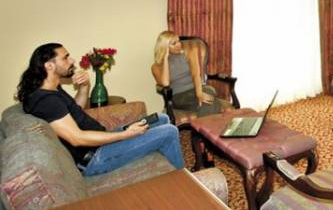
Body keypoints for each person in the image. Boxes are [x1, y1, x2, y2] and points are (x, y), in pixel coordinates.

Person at [17, 43, 184, 176]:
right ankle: (182, 181)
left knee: (162, 119)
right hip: (95, 158)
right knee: (169, 132)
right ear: (49, 66)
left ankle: (166, 171)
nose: (72, 60)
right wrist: (126, 134)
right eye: (65, 58)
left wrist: (85, 86)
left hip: (101, 143)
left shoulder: (51, 89)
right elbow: (77, 138)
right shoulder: (45, 100)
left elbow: (75, 110)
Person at [150, 31, 224, 118]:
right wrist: (165, 58)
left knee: (208, 93)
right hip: (178, 97)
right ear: (165, 47)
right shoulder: (156, 67)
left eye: (178, 41)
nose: (179, 45)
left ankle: (202, 125)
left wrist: (199, 93)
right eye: (174, 43)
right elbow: (166, 83)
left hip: (196, 90)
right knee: (211, 98)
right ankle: (210, 123)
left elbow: (196, 74)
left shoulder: (189, 53)